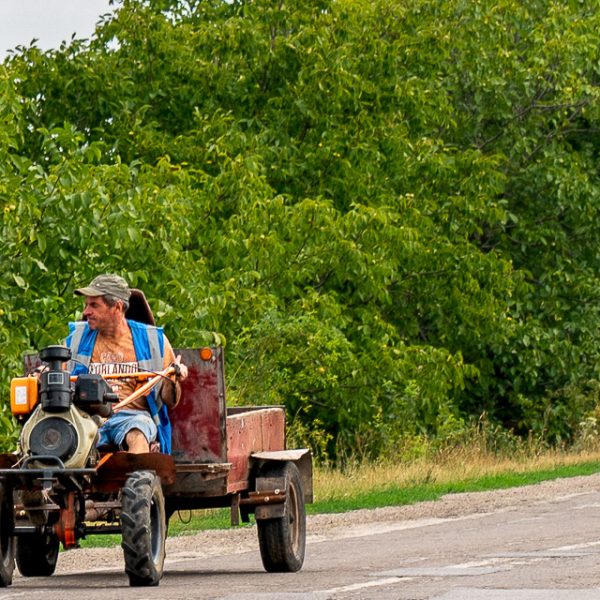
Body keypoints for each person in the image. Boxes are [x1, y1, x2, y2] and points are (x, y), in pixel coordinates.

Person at [65, 274, 188, 454]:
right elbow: (57, 377)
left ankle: (139, 479)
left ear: (117, 307)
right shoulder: (76, 339)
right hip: (87, 419)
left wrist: (173, 379)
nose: (86, 312)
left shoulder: (153, 340)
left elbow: (170, 400)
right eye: (86, 305)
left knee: (137, 434)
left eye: (94, 305)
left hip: (132, 418)